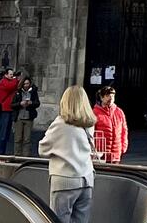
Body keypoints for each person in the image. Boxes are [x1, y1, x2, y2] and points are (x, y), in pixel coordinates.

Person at [38, 86, 96, 223]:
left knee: (58, 219)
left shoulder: (60, 123)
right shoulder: (88, 123)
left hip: (65, 179)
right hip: (87, 178)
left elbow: (43, 149)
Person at [92, 84, 128, 165]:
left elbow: (124, 130)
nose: (111, 98)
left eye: (112, 96)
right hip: (100, 154)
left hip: (116, 153)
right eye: (108, 96)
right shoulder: (95, 113)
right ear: (101, 97)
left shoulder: (119, 112)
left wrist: (124, 146)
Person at [0, 65, 19, 154]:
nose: (12, 76)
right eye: (10, 74)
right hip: (5, 109)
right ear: (6, 75)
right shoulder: (3, 82)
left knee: (6, 133)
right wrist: (16, 79)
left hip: (9, 109)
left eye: (13, 74)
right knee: (2, 133)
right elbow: (10, 87)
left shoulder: (9, 81)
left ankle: (2, 152)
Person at [13, 74, 42, 155]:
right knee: (18, 138)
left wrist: (31, 103)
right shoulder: (18, 92)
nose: (26, 85)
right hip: (19, 117)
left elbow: (37, 103)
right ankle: (17, 155)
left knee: (27, 139)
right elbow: (12, 105)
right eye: (25, 84)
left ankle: (26, 156)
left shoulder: (33, 92)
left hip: (29, 118)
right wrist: (20, 103)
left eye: (27, 83)